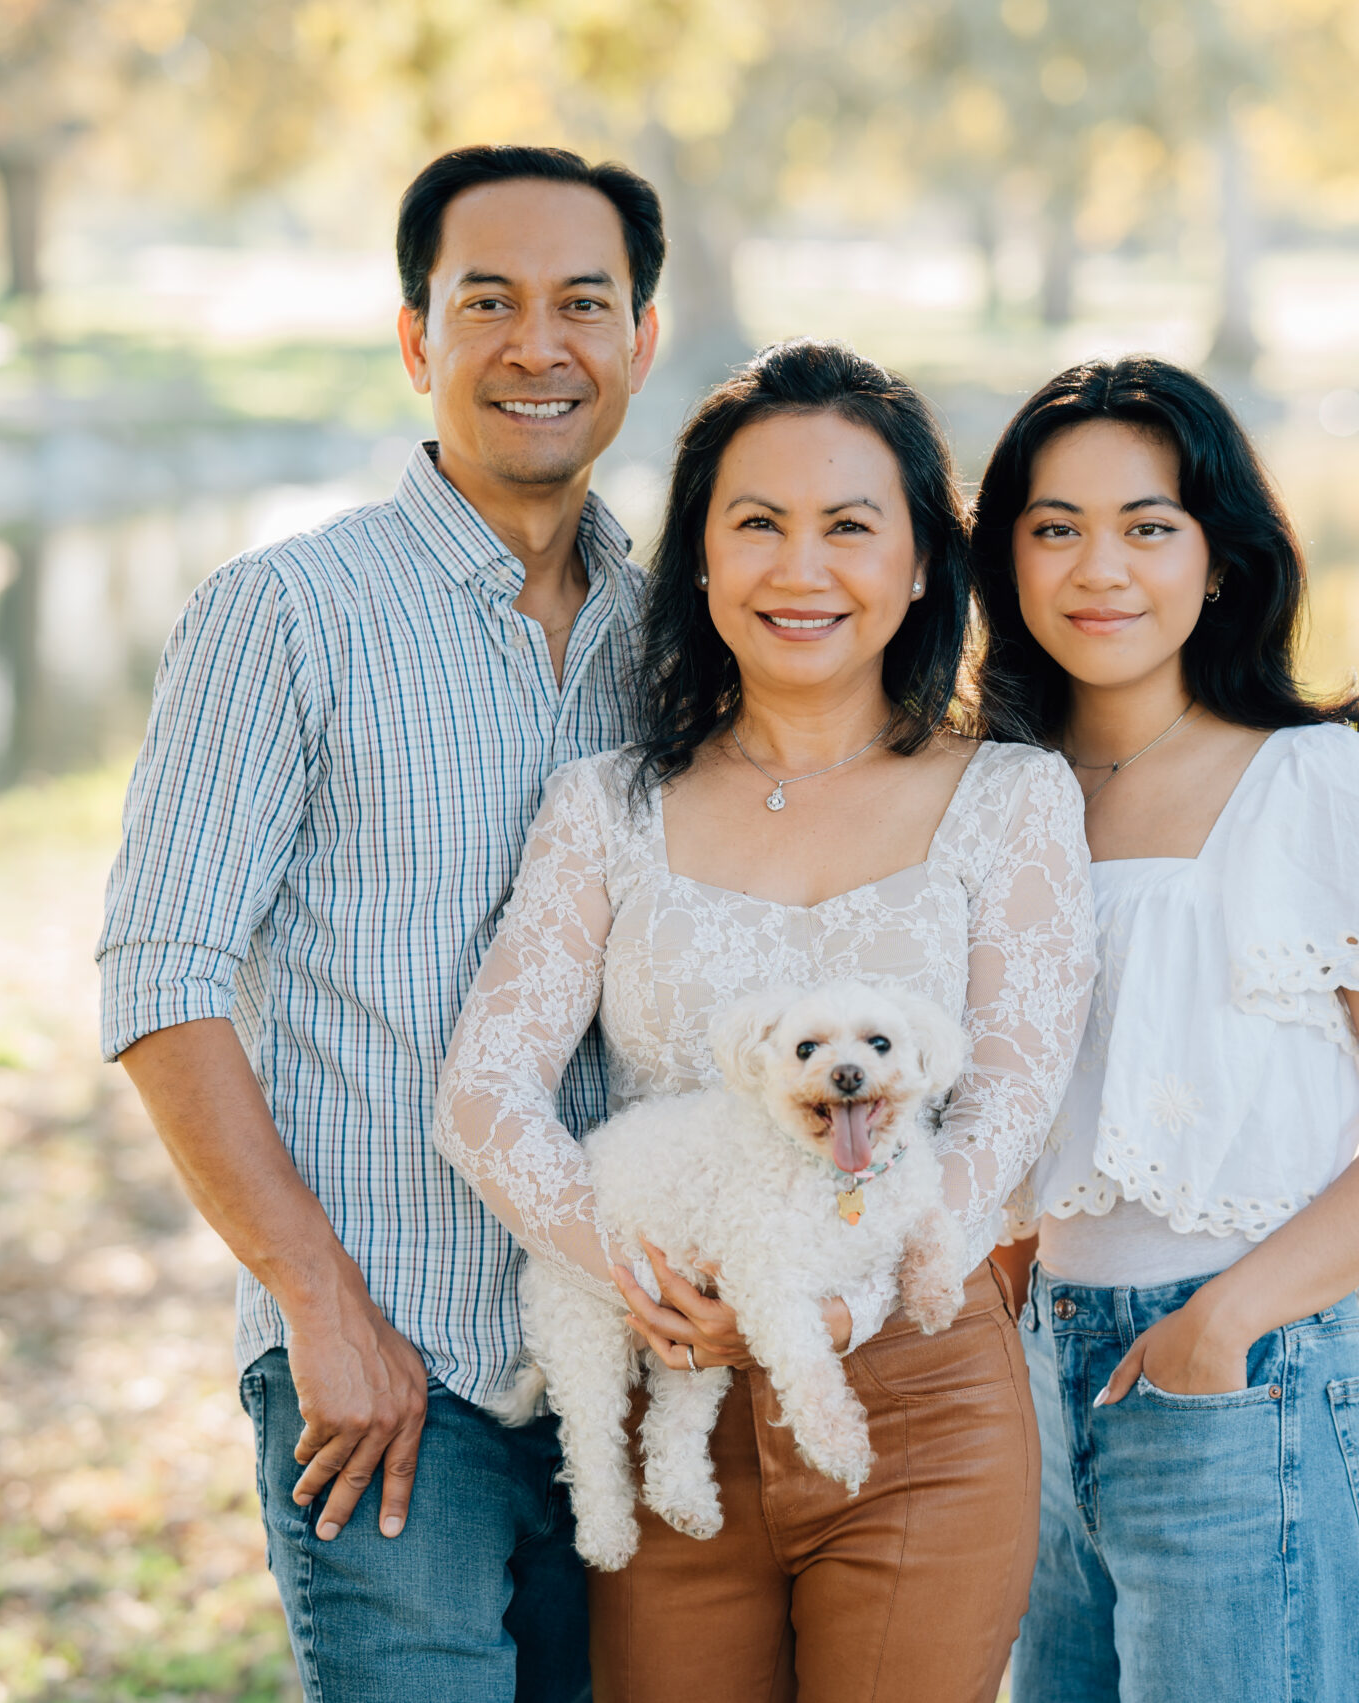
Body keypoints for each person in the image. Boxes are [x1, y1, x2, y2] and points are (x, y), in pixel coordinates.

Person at [433, 338, 1096, 1703]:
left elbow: (1014, 1100)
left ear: (921, 563)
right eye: (758, 526)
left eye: (851, 527)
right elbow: (485, 1090)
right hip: (668, 1394)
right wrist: (640, 1279)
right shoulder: (606, 809)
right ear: (701, 563)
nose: (802, 570)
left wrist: (846, 1310)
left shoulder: (1015, 799)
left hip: (918, 1395)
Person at [96, 144, 666, 1703]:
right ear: (418, 339)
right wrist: (317, 1308)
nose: (536, 345)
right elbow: (161, 981)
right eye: (488, 302)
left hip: (636, 1371)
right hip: (388, 1369)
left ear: (641, 342)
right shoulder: (284, 615)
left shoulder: (689, 630)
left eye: (582, 304)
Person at [971, 357, 1359, 1703]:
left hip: (1243, 1381)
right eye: (1055, 528)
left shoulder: (1317, 788)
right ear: (1008, 562)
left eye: (1149, 525)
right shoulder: (989, 797)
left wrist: (1224, 1326)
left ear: (1218, 558)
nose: (1103, 567)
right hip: (1035, 1376)